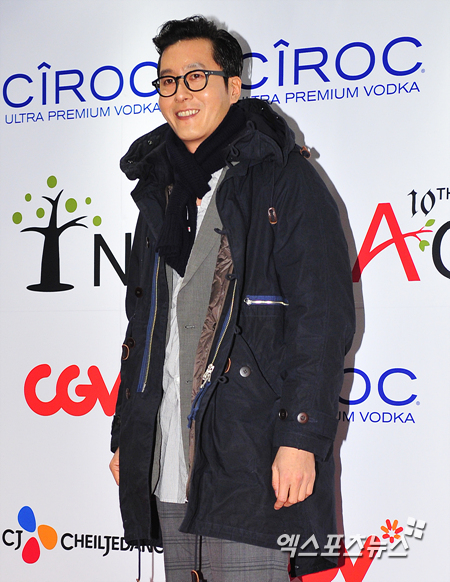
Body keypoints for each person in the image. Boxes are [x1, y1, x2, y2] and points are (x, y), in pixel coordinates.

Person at [110, 15, 355, 582]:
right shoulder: (159, 192)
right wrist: (131, 433)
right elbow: (142, 327)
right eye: (167, 80)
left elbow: (321, 319)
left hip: (251, 452)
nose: (180, 93)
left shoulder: (284, 178)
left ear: (234, 85)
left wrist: (301, 438)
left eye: (196, 77)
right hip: (171, 454)